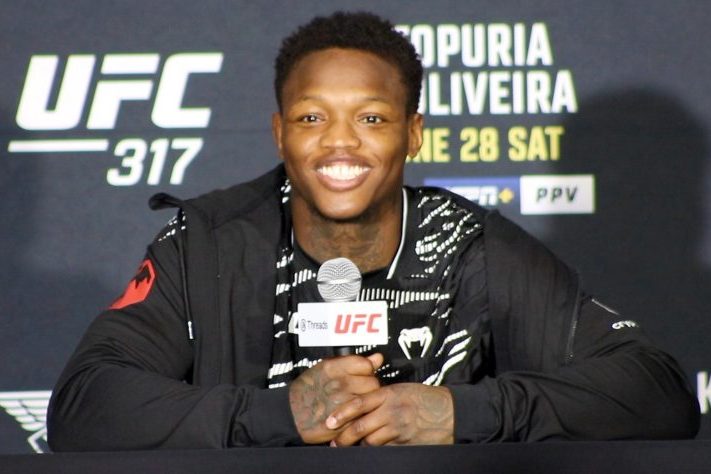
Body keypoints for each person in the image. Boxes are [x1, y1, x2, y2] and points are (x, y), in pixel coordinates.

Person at [47, 11, 699, 450]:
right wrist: (278, 414)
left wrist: (459, 412)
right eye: (311, 118)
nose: (339, 144)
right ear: (279, 133)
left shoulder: (470, 244)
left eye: (371, 119)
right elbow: (83, 405)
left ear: (412, 133)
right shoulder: (210, 243)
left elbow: (659, 392)